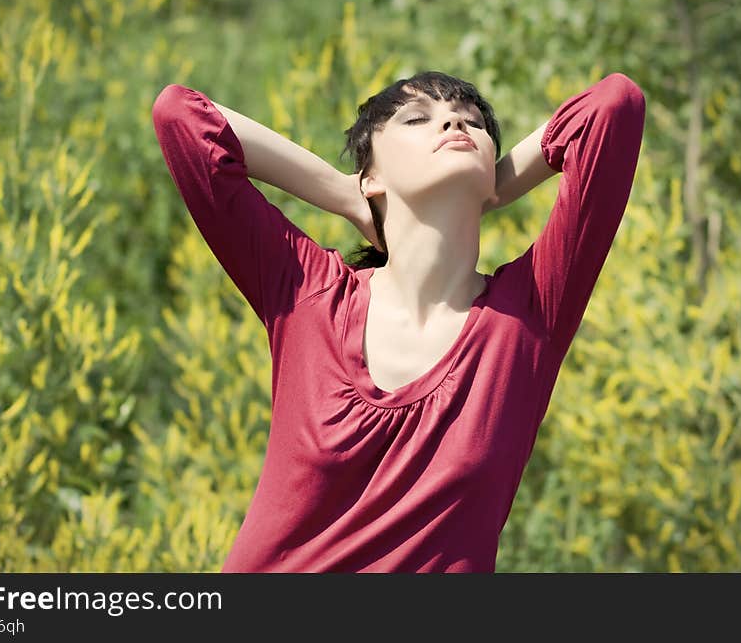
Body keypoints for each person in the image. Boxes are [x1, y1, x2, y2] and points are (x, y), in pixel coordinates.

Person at [151, 70, 646, 572]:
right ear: (372, 175)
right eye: (417, 118)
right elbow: (182, 116)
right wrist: (346, 194)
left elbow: (613, 106)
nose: (454, 120)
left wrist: (494, 187)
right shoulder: (310, 296)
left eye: (473, 123)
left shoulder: (529, 315)